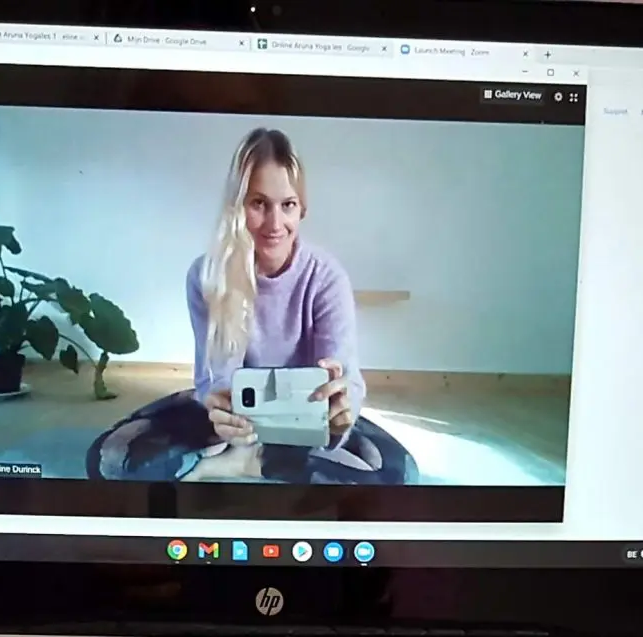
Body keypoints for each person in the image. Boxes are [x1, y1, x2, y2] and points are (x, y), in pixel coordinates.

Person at [86, 128, 412, 485]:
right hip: (230, 418)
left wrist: (340, 413)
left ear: (302, 209)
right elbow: (216, 378)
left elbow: (344, 377)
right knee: (108, 459)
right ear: (237, 207)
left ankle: (246, 463)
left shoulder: (326, 277)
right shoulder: (206, 275)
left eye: (287, 205)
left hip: (304, 421)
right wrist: (220, 409)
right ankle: (255, 460)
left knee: (398, 476)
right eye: (259, 204)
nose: (275, 224)